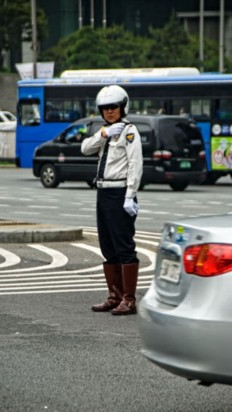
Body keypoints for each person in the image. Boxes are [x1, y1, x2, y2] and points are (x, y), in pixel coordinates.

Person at [81, 85, 143, 316]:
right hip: (103, 192)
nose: (109, 112)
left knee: (124, 245)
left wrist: (129, 195)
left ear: (122, 107)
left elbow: (135, 164)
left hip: (119, 193)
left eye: (113, 107)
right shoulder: (106, 131)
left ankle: (128, 299)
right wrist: (104, 134)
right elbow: (85, 148)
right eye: (105, 108)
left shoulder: (129, 131)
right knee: (107, 246)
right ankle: (114, 296)